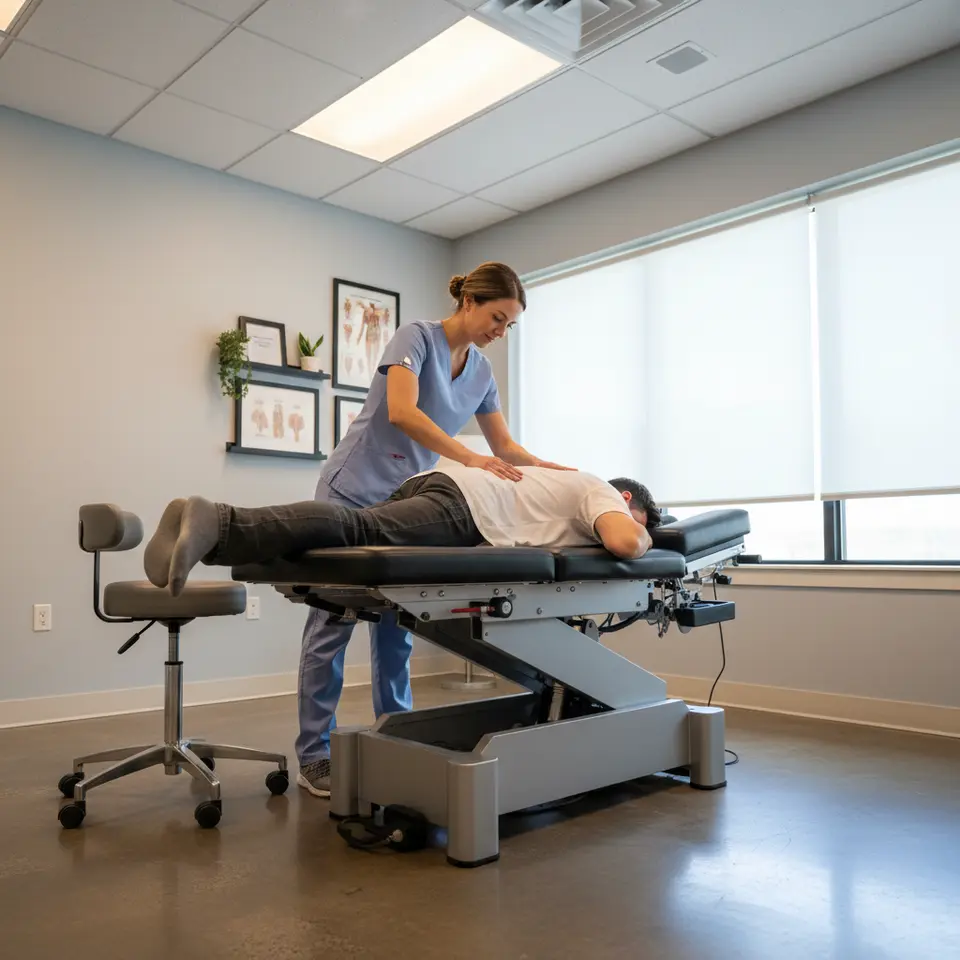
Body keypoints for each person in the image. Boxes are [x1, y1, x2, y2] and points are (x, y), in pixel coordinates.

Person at [293, 262, 571, 798]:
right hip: (351, 490)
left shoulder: (483, 373)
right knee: (330, 627)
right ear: (469, 303)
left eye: (510, 325)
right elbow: (401, 411)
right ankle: (314, 754)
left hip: (404, 505)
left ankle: (395, 735)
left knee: (398, 624)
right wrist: (468, 459)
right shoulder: (415, 337)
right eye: (497, 317)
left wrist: (556, 472)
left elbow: (506, 449)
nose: (500, 331)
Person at [143, 466, 661, 598]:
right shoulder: (602, 491)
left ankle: (206, 530)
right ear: (627, 499)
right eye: (637, 515)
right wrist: (647, 539)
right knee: (356, 526)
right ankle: (219, 521)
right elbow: (622, 542)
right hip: (467, 507)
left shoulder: (572, 488)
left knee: (351, 534)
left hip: (450, 492)